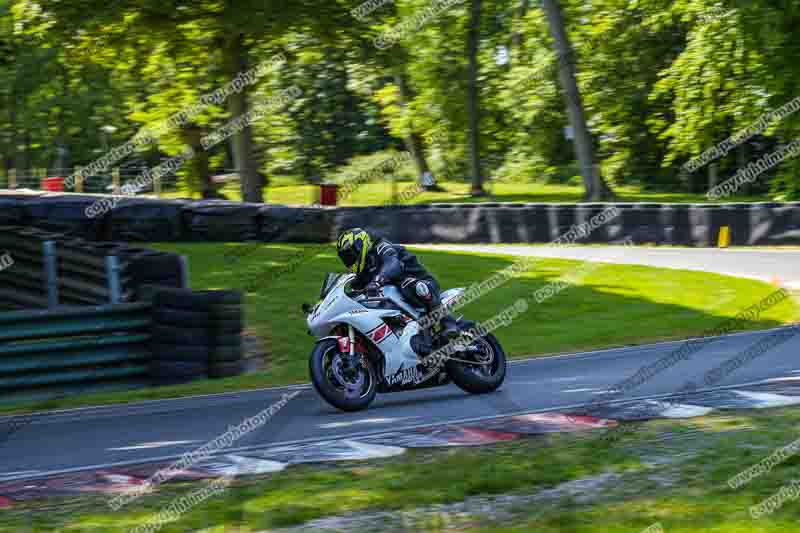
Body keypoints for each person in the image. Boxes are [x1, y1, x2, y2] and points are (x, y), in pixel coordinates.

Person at [336, 227, 459, 339]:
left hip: (423, 284)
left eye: (350, 255)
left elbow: (393, 265)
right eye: (345, 258)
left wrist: (377, 281)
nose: (349, 260)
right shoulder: (363, 274)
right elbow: (353, 291)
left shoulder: (381, 247)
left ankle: (448, 322)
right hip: (400, 301)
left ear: (360, 246)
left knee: (408, 284)